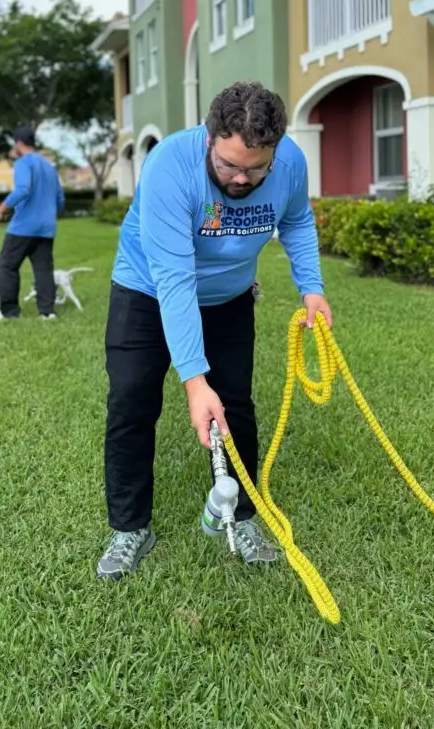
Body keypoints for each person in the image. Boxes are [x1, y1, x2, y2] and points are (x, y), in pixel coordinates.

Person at [97, 81, 332, 580]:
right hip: (148, 288)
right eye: (228, 166)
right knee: (132, 400)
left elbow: (296, 220)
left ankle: (240, 516)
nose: (242, 179)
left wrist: (311, 287)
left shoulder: (288, 162)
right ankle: (129, 528)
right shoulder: (169, 167)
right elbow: (175, 279)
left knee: (236, 406)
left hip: (228, 297)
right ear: (209, 138)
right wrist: (193, 379)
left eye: (255, 169)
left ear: (274, 152)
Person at [0, 125, 65, 322]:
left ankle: (9, 312)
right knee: (43, 269)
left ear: (19, 143)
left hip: (23, 227)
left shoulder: (23, 163)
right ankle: (48, 312)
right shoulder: (49, 166)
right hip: (46, 227)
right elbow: (59, 198)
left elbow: (22, 190)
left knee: (7, 266)